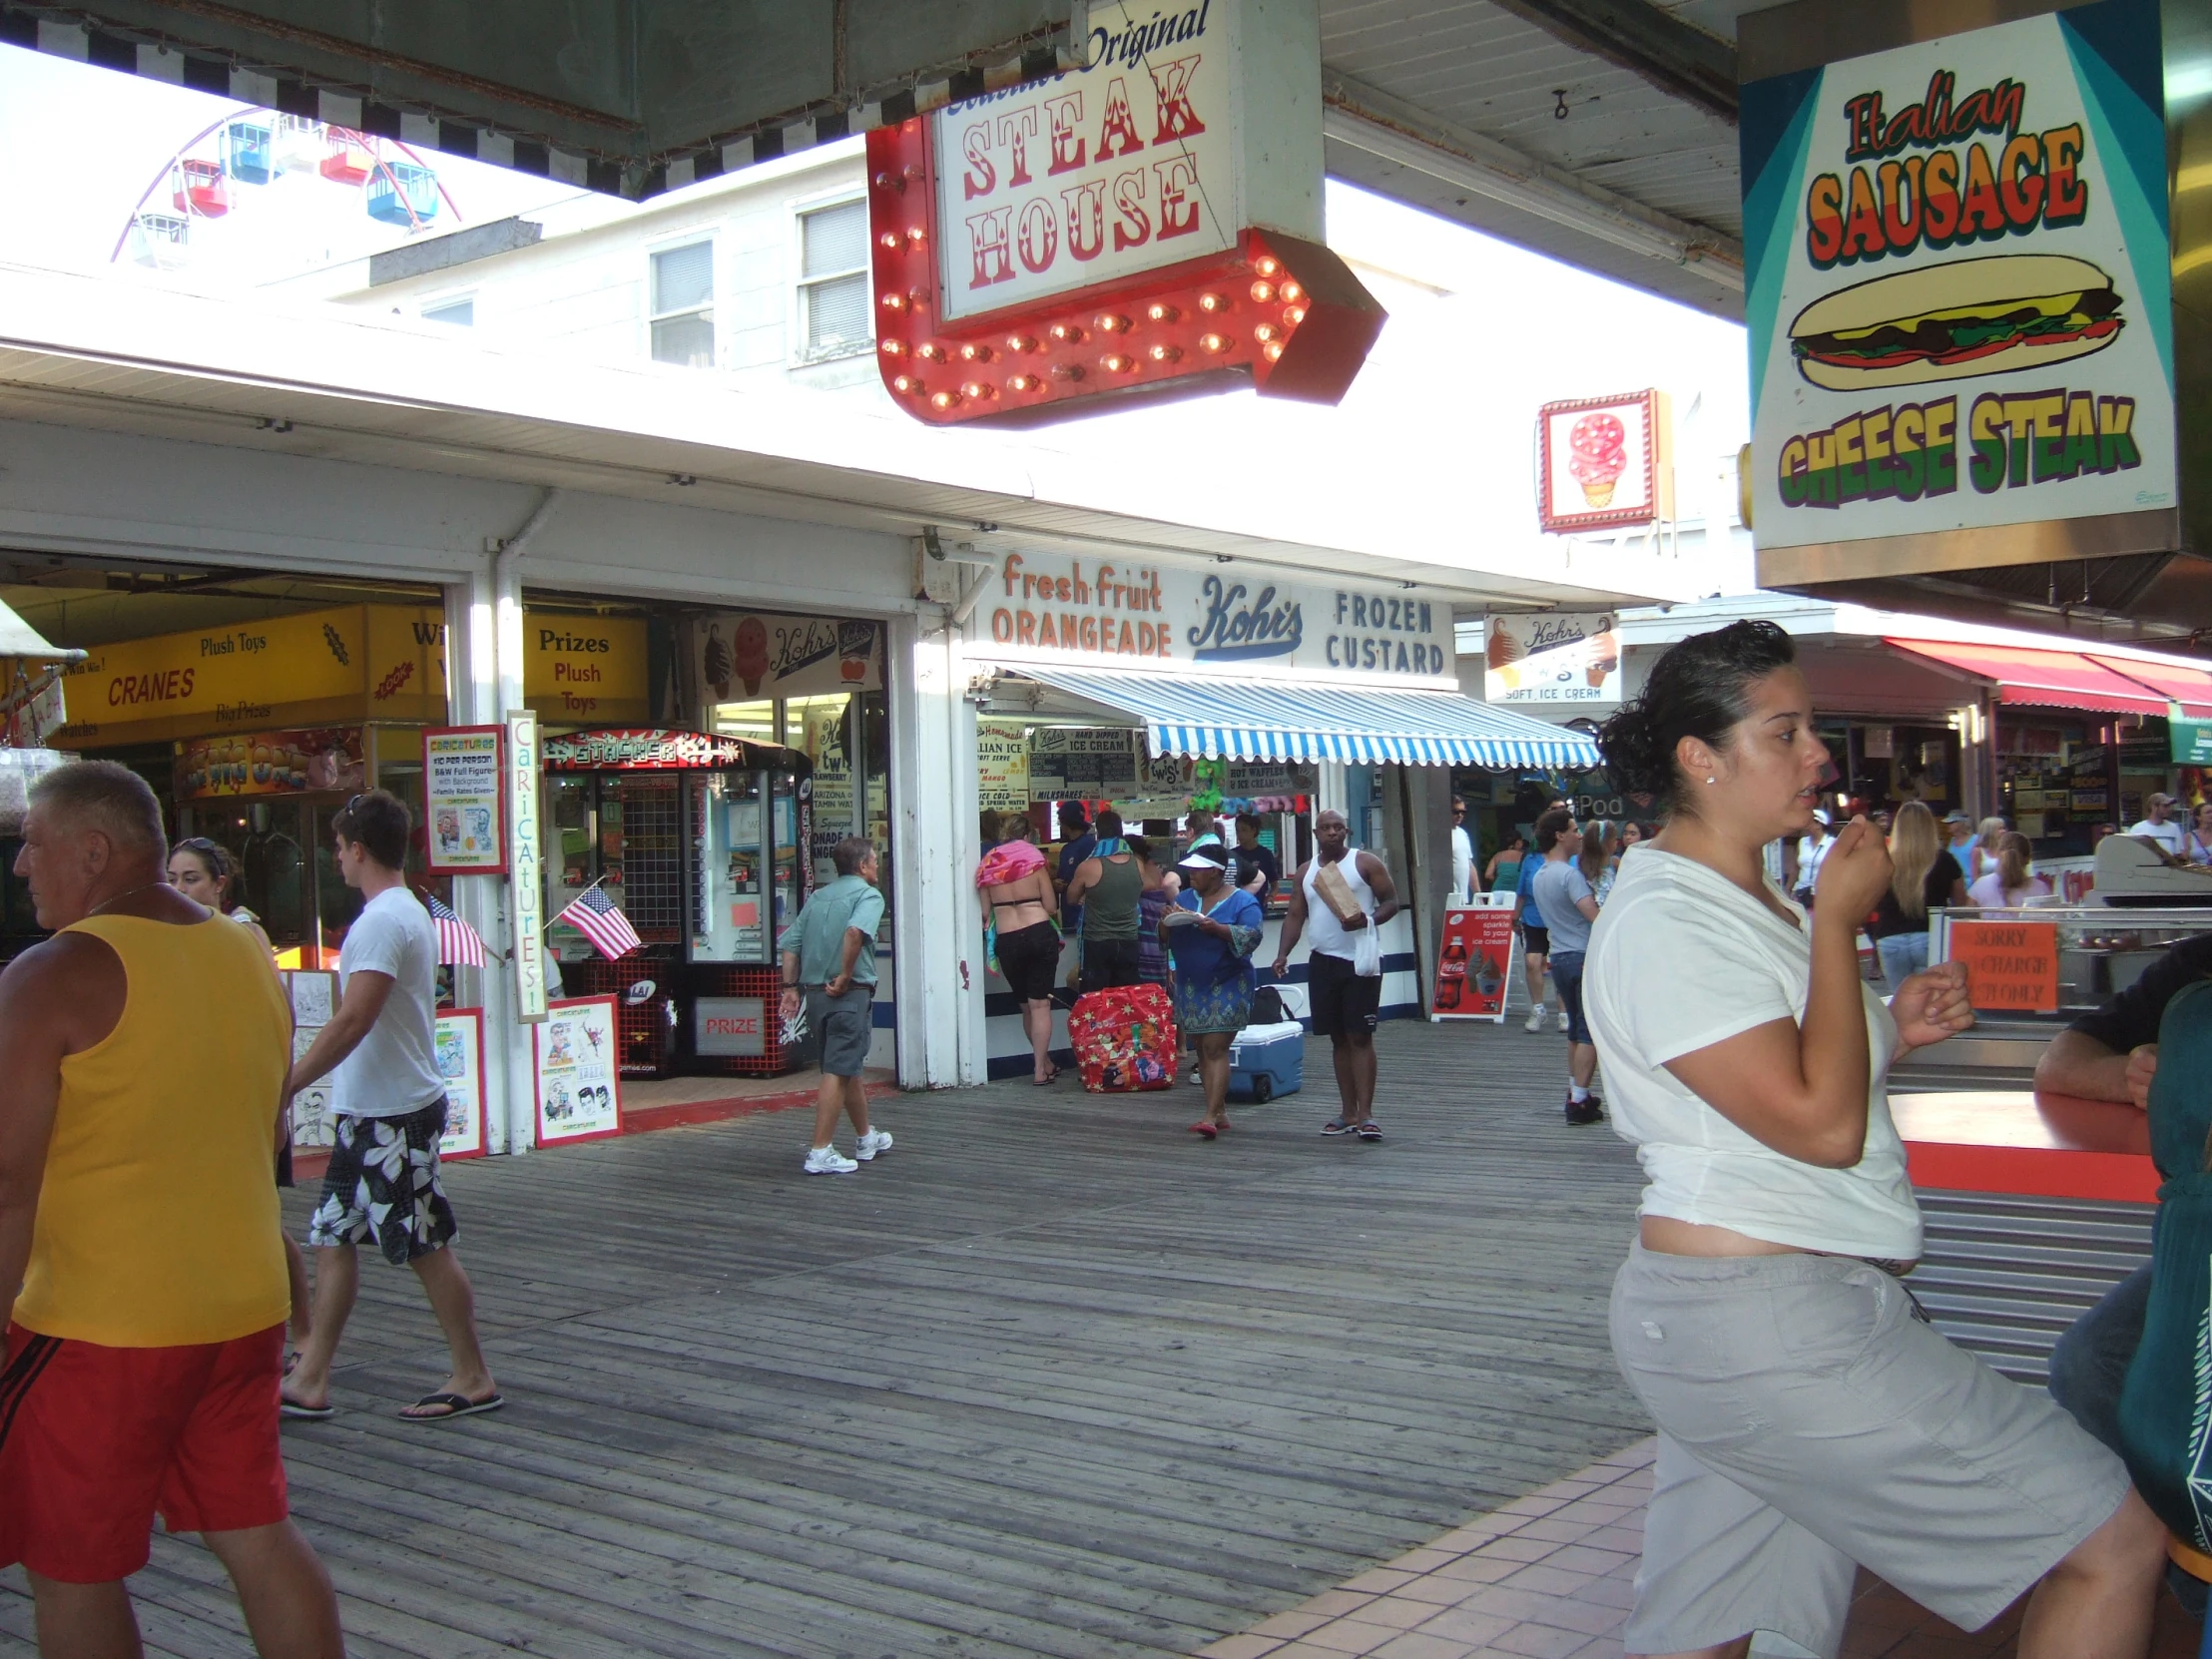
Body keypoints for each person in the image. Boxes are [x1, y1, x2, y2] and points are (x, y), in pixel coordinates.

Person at [1583, 620, 2162, 1659]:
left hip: (1735, 1320)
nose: (1818, 756)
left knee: (1721, 1630)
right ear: (1697, 758)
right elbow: (1816, 1125)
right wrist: (1835, 925)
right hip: (1765, 1318)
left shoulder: (1737, 893)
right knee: (2108, 1541)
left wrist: (1888, 1022)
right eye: (1785, 731)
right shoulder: (1671, 916)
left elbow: (1772, 1082)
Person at [0, 761, 345, 1659]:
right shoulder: (244, 955)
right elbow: (261, 1124)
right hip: (242, 1313)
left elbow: (6, 1181)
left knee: (70, 1566)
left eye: (31, 845)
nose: (19, 866)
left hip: (100, 1326)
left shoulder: (53, 974)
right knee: (257, 1535)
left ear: (93, 851)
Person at [281, 790, 500, 1424]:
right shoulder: (404, 911)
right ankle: (312, 1375)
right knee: (334, 1237)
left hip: (392, 1114)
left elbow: (354, 1018)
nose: (336, 860)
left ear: (356, 849)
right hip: (376, 1111)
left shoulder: (382, 921)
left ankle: (473, 1373)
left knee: (424, 1243)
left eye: (338, 848)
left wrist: (290, 1081)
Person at [2035, 931, 2212, 1460]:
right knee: (2089, 1362)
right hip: (2200, 1243)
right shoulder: (2200, 962)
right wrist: (2135, 1077)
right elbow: (2058, 1062)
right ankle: (2157, 1536)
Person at [170, 836, 312, 1354]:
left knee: (263, 1223)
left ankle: (302, 1333)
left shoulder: (242, 930)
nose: (181, 888)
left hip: (246, 1101)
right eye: (173, 879)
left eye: (192, 878)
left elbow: (279, 1018)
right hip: (202, 1098)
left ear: (219, 884)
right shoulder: (182, 937)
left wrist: (277, 1104)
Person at [1274, 808, 1400, 1142]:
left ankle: (1366, 1114)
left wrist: (1369, 919)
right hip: (1323, 962)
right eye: (1325, 828)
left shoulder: (1365, 863)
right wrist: (1283, 952)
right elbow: (1295, 914)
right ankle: (1347, 1112)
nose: (1332, 832)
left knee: (1360, 1035)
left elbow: (1392, 901)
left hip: (1361, 959)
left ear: (1347, 832)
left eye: (1338, 827)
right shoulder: (1306, 871)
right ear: (1315, 833)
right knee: (1337, 1038)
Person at [778, 836, 892, 1174]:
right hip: (848, 992)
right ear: (862, 866)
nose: (876, 866)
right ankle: (819, 1150)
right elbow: (855, 932)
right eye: (874, 860)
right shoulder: (869, 895)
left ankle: (866, 1136)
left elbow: (790, 945)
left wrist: (789, 988)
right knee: (837, 1069)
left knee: (843, 1063)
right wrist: (844, 975)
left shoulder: (818, 897)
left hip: (814, 994)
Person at [1162, 844, 1263, 1140]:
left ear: (1216, 873)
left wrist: (1218, 929)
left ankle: (1209, 1114)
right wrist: (1165, 922)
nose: (1191, 875)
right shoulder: (1183, 898)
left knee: (1216, 1047)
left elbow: (1252, 936)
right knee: (1203, 1049)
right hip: (1191, 983)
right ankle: (1218, 1110)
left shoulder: (1243, 902)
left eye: (1198, 870)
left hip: (1229, 981)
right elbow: (1165, 937)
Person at [1531, 808, 1603, 1126]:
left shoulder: (1540, 875)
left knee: (1574, 1029)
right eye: (1574, 829)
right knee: (1590, 1032)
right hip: (1583, 953)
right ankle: (1580, 1099)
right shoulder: (1569, 875)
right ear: (1559, 835)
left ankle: (1575, 1090)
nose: (1578, 835)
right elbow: (1594, 917)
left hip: (1558, 955)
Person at [977, 815, 1060, 1086]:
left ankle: (1045, 1063)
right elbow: (1050, 906)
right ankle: (1039, 1068)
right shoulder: (1034, 858)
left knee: (1027, 1007)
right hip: (1038, 932)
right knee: (1041, 1005)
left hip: (1007, 939)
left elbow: (985, 913)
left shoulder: (989, 861)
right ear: (1027, 835)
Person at [1865, 800, 1966, 994]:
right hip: (1930, 935)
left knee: (1901, 1002)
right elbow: (1960, 903)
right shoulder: (1945, 860)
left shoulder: (1882, 859)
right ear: (1929, 826)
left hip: (1890, 937)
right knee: (1932, 1000)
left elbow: (1871, 899)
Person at [1064, 811, 1144, 992]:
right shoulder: (1137, 864)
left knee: (1097, 1001)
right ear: (1121, 831)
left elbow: (1071, 898)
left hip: (1097, 942)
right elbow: (1144, 887)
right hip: (1129, 940)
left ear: (1098, 833)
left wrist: (1089, 894)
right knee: (1127, 999)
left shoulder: (1088, 867)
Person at [1514, 834, 1554, 1032]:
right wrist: (1514, 917)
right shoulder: (1530, 859)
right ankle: (1538, 1008)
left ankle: (1565, 1012)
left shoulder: (1570, 859)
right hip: (1533, 917)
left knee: (1560, 964)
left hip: (1558, 920)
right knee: (1532, 962)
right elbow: (1521, 892)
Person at [1130, 836, 1178, 988]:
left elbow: (1148, 885)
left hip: (1150, 932)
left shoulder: (1140, 868)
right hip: (1154, 934)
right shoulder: (1152, 868)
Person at [1965, 830, 2050, 910]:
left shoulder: (1980, 886)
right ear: (2028, 859)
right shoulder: (2041, 888)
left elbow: (1966, 921)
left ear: (1998, 855)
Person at [1789, 810, 1835, 907]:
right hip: (1801, 891)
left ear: (1819, 825)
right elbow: (1795, 867)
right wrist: (1788, 888)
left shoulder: (1832, 843)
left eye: (1810, 822)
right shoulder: (1802, 842)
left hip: (1822, 894)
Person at [1232, 812, 1280, 899]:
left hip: (1258, 905)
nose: (1240, 834)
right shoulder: (1232, 854)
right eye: (1237, 830)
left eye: (1244, 830)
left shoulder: (1265, 854)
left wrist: (1270, 896)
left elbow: (1275, 885)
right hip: (1236, 905)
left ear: (1253, 830)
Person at [2127, 792, 2185, 856]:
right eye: (2165, 806)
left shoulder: (2174, 828)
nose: (2169, 809)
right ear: (2154, 807)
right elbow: (2131, 852)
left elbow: (2179, 853)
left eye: (2170, 806)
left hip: (2169, 865)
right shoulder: (2138, 828)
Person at [1448, 798, 1474, 906]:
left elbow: (1469, 865)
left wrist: (1479, 895)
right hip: (1448, 898)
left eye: (1463, 812)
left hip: (1463, 899)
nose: (1460, 815)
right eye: (1456, 811)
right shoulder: (1440, 833)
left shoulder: (1463, 834)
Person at [2185, 800, 2212, 866]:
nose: (2211, 814)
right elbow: (2184, 860)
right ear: (2198, 817)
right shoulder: (2189, 837)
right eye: (2208, 812)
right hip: (2197, 874)